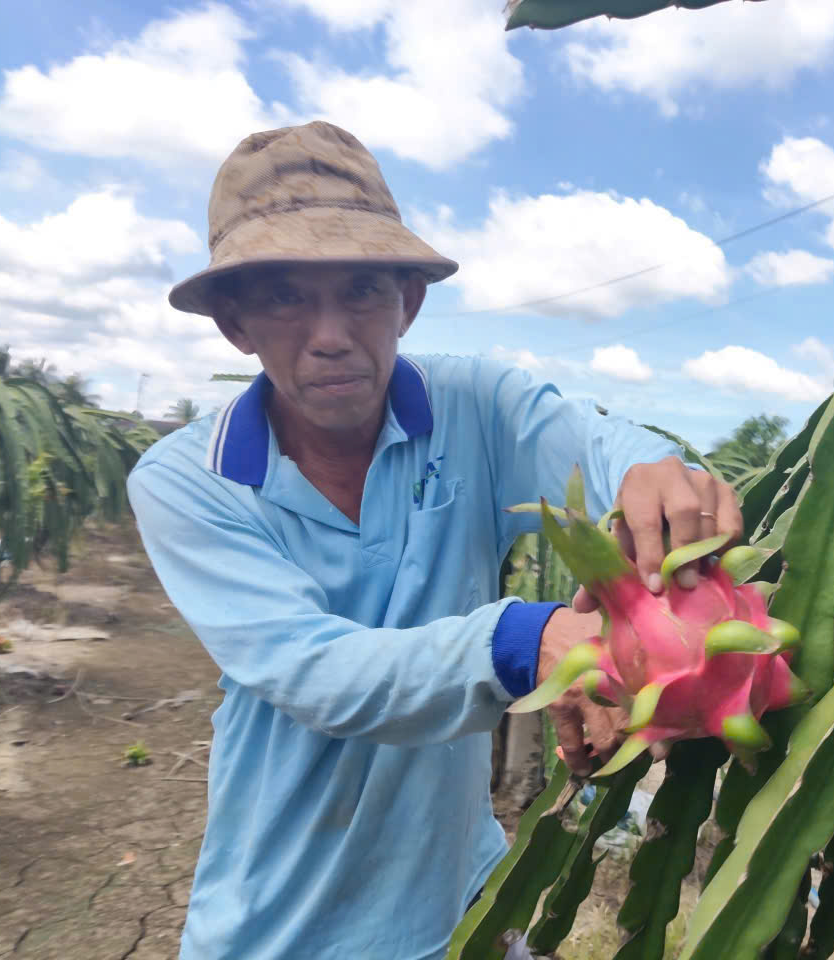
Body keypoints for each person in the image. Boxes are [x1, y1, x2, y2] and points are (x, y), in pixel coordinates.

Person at [126, 121, 742, 960]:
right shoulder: (185, 481)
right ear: (235, 323)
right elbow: (319, 673)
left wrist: (658, 478)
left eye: (363, 291)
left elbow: (597, 445)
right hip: (279, 929)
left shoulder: (475, 406)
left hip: (468, 907)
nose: (331, 332)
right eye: (284, 297)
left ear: (408, 303)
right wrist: (532, 642)